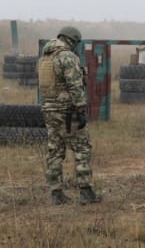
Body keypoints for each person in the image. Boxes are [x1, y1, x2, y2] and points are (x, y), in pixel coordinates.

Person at [38, 26, 101, 205]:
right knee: (82, 148)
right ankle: (86, 192)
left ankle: (56, 194)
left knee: (55, 150)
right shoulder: (68, 56)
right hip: (68, 111)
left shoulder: (45, 58)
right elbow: (75, 85)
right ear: (72, 40)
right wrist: (81, 109)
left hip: (49, 109)